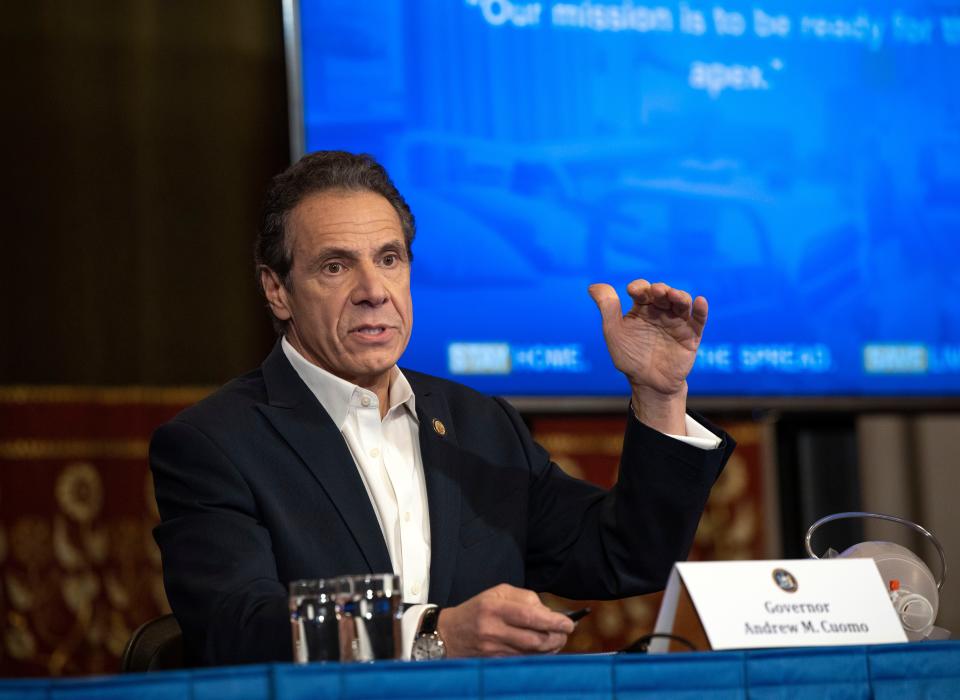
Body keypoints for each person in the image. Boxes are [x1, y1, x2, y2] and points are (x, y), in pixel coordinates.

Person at [150, 151, 735, 666]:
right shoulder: (216, 443)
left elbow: (624, 556)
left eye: (389, 258)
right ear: (277, 290)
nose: (373, 289)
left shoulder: (479, 424)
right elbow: (238, 627)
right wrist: (433, 635)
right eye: (335, 265)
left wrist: (659, 395)